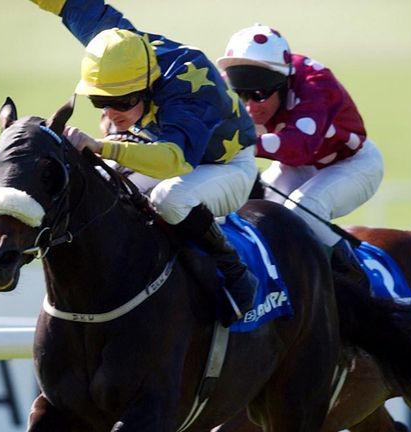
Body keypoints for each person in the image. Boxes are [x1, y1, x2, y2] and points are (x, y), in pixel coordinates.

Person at [27, 0, 259, 326]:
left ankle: (233, 268)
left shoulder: (191, 85)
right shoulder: (119, 48)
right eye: (100, 101)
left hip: (227, 165)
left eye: (121, 101)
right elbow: (71, 4)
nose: (111, 113)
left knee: (169, 199)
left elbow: (175, 162)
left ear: (149, 85)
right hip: (158, 146)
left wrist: (102, 146)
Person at [216, 24, 384, 288]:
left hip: (352, 164)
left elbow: (299, 146)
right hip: (296, 166)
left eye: (259, 95)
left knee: (302, 210)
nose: (250, 107)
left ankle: (354, 279)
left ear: (283, 84)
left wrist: (237, 142)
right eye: (241, 94)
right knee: (261, 217)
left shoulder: (315, 82)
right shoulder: (228, 87)